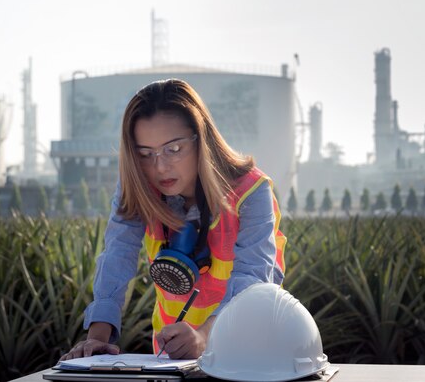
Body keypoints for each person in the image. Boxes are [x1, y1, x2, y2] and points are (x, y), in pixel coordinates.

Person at [60, 78, 287, 360]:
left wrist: (204, 337)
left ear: (200, 137)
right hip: (172, 359)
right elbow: (118, 253)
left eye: (173, 149)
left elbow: (255, 279)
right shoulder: (139, 184)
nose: (160, 166)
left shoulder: (251, 192)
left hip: (251, 353)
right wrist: (95, 339)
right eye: (145, 154)